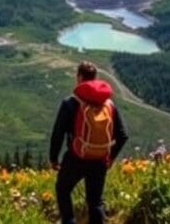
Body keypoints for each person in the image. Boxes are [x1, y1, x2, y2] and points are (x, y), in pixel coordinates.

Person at [49, 61, 128, 224]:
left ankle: (69, 221)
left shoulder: (70, 103)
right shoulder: (109, 104)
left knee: (63, 189)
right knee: (95, 202)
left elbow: (58, 134)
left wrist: (54, 159)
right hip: (99, 160)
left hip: (75, 158)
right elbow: (122, 135)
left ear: (79, 78)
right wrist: (110, 158)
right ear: (95, 78)